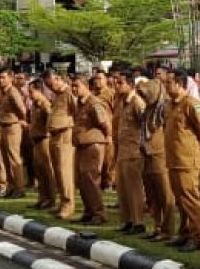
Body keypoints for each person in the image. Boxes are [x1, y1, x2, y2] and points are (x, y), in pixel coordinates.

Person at [163, 70, 200, 252]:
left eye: (169, 83)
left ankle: (196, 236)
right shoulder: (170, 105)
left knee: (191, 199)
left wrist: (197, 148)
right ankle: (184, 233)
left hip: (187, 160)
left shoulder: (192, 104)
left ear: (179, 84)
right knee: (180, 199)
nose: (166, 86)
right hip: (173, 159)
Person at [138, 77, 177, 242]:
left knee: (165, 193)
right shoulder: (148, 109)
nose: (144, 97)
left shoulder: (165, 108)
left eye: (147, 94)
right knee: (152, 194)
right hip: (147, 154)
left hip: (160, 154)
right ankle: (157, 226)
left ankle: (167, 229)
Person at [72, 75, 110, 224]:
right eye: (73, 86)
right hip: (82, 145)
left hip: (92, 145)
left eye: (77, 86)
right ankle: (89, 211)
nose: (74, 89)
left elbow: (105, 123)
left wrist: (107, 138)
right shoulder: (80, 104)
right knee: (82, 180)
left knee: (91, 179)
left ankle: (98, 213)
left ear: (86, 86)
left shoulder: (94, 103)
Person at [112, 73, 147, 234]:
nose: (116, 85)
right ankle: (127, 220)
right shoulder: (121, 102)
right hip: (122, 151)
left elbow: (145, 124)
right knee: (122, 188)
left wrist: (142, 146)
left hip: (134, 151)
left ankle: (138, 221)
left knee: (134, 188)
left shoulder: (137, 102)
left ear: (130, 85)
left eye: (120, 83)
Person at [43, 69, 78, 219]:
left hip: (65, 135)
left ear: (58, 79)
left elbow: (77, 113)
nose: (50, 87)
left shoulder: (69, 93)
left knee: (65, 172)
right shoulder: (56, 96)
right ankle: (62, 202)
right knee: (57, 171)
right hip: (55, 136)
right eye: (47, 85)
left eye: (51, 84)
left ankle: (68, 205)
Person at [0, 70, 27, 197]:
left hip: (12, 127)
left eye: (3, 77)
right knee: (5, 159)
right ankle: (11, 186)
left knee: (14, 158)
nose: (0, 80)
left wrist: (18, 120)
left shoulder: (13, 92)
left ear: (10, 78)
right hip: (3, 126)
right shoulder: (3, 93)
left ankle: (19, 188)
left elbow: (22, 110)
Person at [26, 80, 56, 210]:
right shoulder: (34, 104)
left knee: (47, 171)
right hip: (36, 140)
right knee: (39, 170)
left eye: (31, 91)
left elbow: (49, 122)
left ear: (39, 90)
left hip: (44, 140)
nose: (29, 94)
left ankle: (50, 199)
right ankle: (42, 197)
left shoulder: (45, 105)